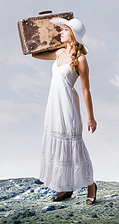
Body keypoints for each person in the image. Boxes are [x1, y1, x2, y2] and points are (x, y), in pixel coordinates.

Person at [32, 18, 97, 204]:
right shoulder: (59, 52)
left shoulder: (81, 59)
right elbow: (34, 54)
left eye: (64, 29)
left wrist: (91, 117)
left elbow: (86, 90)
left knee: (73, 146)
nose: (61, 32)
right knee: (58, 147)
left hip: (67, 105)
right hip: (53, 105)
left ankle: (91, 185)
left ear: (73, 35)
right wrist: (42, 28)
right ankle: (65, 188)